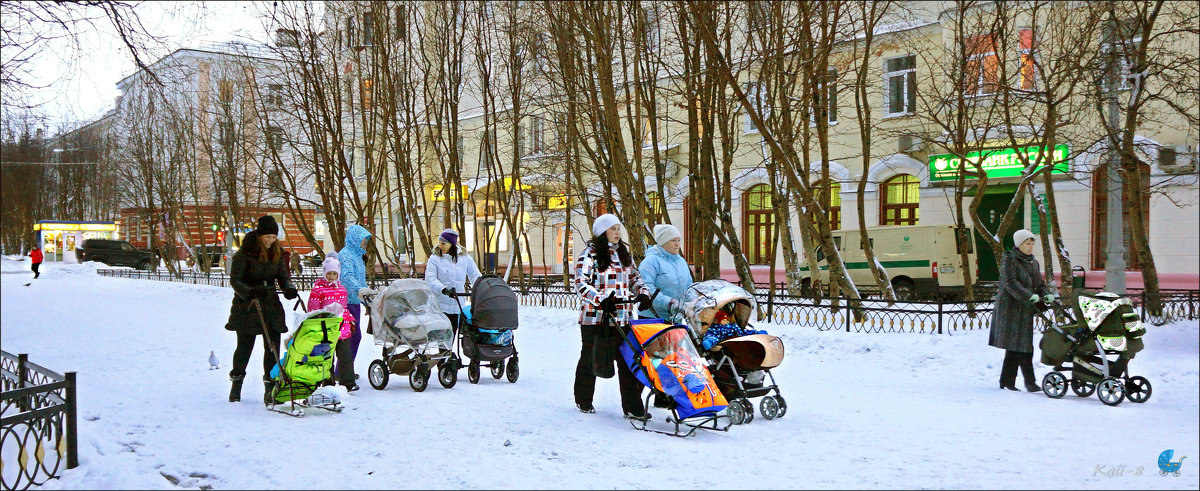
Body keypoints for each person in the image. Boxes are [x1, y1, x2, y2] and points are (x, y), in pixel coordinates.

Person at [573, 213, 653, 419]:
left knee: (628, 363)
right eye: (613, 229)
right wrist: (600, 299)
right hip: (596, 319)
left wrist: (643, 293)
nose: (617, 232)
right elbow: (581, 284)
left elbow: (635, 278)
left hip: (622, 318)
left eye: (618, 228)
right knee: (591, 359)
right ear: (602, 232)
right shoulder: (589, 254)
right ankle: (584, 400)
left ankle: (633, 408)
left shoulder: (624, 254)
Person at [224, 215, 299, 404]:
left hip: (270, 303)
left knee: (272, 347)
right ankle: (236, 383)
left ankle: (270, 387)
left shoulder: (277, 252)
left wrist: (288, 288)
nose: (270, 240)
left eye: (273, 237)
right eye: (267, 236)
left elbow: (283, 276)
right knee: (244, 347)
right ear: (259, 235)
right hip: (248, 305)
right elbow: (235, 280)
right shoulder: (245, 253)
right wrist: (248, 292)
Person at [989, 229, 1055, 392]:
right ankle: (1025, 382)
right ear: (1019, 244)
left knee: (1021, 346)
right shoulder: (1009, 260)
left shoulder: (1033, 263)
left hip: (1025, 309)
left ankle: (1009, 381)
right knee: (1018, 346)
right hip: (1010, 309)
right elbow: (1010, 283)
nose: (1031, 246)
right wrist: (1028, 295)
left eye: (1032, 243)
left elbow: (1039, 284)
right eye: (1027, 243)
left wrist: (1045, 294)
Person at [308, 253, 356, 389]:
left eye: (334, 274)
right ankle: (327, 382)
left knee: (346, 356)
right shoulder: (318, 290)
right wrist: (318, 320)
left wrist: (350, 320)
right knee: (326, 358)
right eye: (329, 273)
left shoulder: (342, 290)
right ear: (324, 273)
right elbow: (313, 309)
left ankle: (348, 382)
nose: (331, 277)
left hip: (342, 329)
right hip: (324, 329)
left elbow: (344, 309)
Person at [335, 223, 374, 390]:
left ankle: (345, 370)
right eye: (362, 240)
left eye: (365, 241)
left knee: (353, 337)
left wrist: (365, 300)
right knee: (351, 336)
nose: (364, 243)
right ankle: (342, 372)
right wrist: (360, 291)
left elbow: (360, 280)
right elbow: (346, 277)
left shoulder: (358, 256)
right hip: (346, 302)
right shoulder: (345, 255)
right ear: (354, 239)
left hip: (355, 301)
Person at [424, 228, 482, 328]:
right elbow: (430, 278)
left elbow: (475, 275)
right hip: (440, 306)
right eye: (439, 242)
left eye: (443, 243)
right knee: (442, 337)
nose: (440, 245)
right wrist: (443, 289)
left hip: (457, 306)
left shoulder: (465, 259)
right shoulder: (434, 259)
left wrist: (482, 287)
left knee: (453, 336)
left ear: (451, 244)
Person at [637, 224, 693, 324]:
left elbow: (689, 287)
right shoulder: (650, 262)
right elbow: (647, 288)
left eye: (678, 240)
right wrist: (670, 303)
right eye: (673, 240)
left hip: (676, 317)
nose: (677, 244)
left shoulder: (681, 261)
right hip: (652, 318)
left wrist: (694, 302)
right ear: (663, 242)